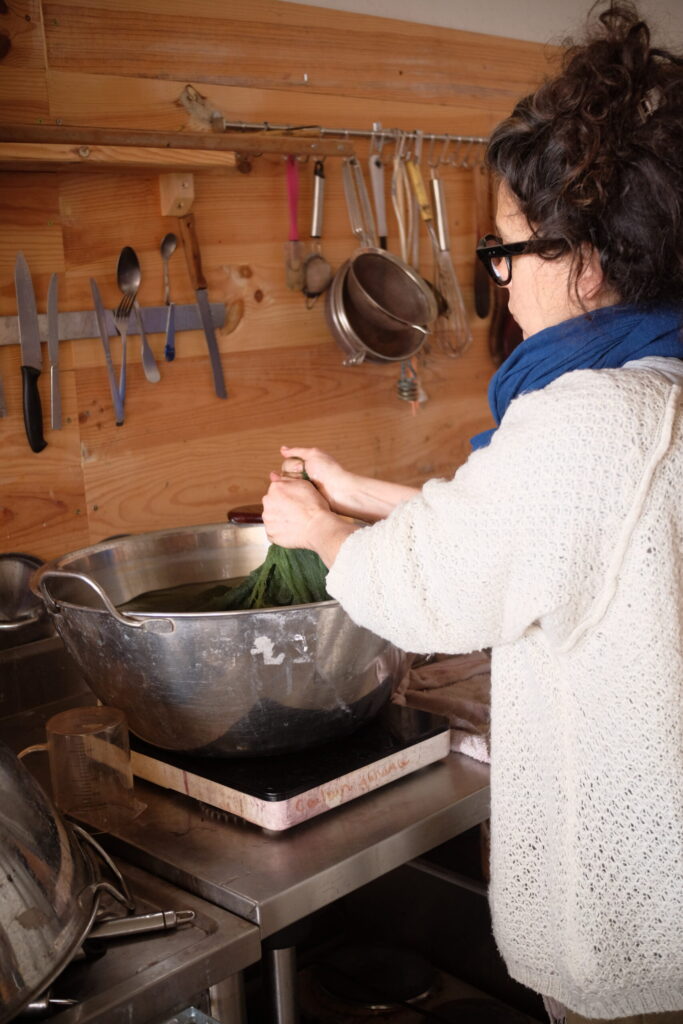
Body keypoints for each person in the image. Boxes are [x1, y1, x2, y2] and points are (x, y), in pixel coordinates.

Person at [262, 4, 683, 1022]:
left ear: (581, 258)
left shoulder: (582, 417)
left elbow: (435, 590)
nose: (500, 284)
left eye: (505, 252)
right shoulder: (655, 386)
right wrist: (365, 493)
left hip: (637, 939)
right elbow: (574, 539)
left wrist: (318, 534)